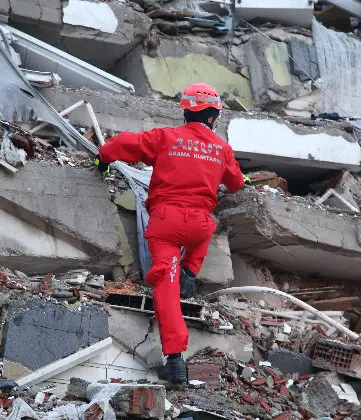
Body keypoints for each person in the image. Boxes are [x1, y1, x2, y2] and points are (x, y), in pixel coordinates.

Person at [96, 83, 246, 383]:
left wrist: (102, 160)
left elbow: (119, 145)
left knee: (166, 289)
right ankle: (189, 273)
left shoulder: (166, 137)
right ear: (214, 116)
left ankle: (175, 360)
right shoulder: (222, 148)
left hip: (167, 224)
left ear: (187, 111)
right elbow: (237, 184)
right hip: (199, 227)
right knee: (204, 230)